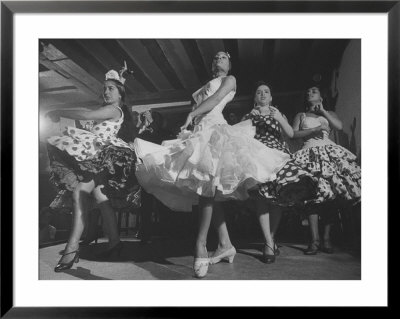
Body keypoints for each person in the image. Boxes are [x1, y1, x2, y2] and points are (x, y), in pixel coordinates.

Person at [134, 51, 291, 278]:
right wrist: (191, 123)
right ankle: (225, 244)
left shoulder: (230, 80)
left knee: (206, 186)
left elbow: (216, 100)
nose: (219, 59)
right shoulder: (204, 85)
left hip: (215, 129)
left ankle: (200, 245)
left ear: (229, 63)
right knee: (207, 189)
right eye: (215, 57)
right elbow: (203, 103)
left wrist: (192, 113)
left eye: (223, 57)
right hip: (199, 131)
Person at [46, 64, 140, 272]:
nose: (105, 92)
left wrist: (59, 110)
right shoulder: (113, 109)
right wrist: (122, 78)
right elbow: (92, 119)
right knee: (100, 198)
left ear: (120, 94)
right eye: (104, 88)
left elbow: (87, 114)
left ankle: (71, 249)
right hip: (101, 157)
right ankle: (115, 243)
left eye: (110, 89)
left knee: (80, 191)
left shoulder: (113, 110)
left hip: (104, 157)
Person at [241, 81, 317, 263]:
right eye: (259, 92)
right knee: (261, 197)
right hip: (257, 154)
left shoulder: (277, 113)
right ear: (255, 98)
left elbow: (290, 134)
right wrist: (247, 120)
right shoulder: (249, 115)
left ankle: (271, 238)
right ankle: (268, 242)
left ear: (271, 97)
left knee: (277, 199)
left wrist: (280, 118)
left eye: (266, 91)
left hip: (277, 155)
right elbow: (239, 137)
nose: (262, 94)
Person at [292, 86, 361, 254]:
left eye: (314, 91)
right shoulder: (301, 115)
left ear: (321, 97)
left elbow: (338, 126)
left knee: (331, 195)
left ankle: (327, 239)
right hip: (308, 153)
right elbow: (293, 134)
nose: (309, 93)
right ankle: (314, 240)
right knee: (311, 196)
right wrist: (313, 130)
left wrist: (323, 111)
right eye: (307, 91)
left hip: (329, 153)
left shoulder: (329, 112)